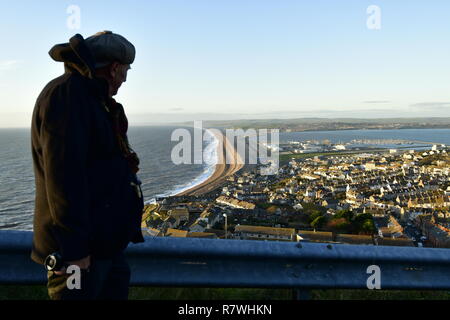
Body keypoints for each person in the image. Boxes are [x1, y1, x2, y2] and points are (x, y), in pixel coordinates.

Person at [30, 31, 144, 300]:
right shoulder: (66, 97)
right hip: (79, 256)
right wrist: (74, 252)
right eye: (126, 70)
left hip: (103, 248)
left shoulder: (93, 99)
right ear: (115, 67)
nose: (126, 78)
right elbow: (64, 179)